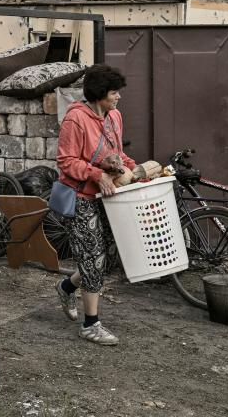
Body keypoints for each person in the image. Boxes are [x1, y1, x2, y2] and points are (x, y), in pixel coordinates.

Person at [53, 64, 137, 345]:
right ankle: (91, 324)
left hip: (107, 196)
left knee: (107, 256)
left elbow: (117, 154)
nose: (118, 97)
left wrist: (131, 169)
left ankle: (66, 287)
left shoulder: (114, 116)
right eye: (114, 92)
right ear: (100, 94)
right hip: (79, 197)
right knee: (92, 258)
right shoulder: (75, 119)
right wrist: (96, 174)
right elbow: (66, 161)